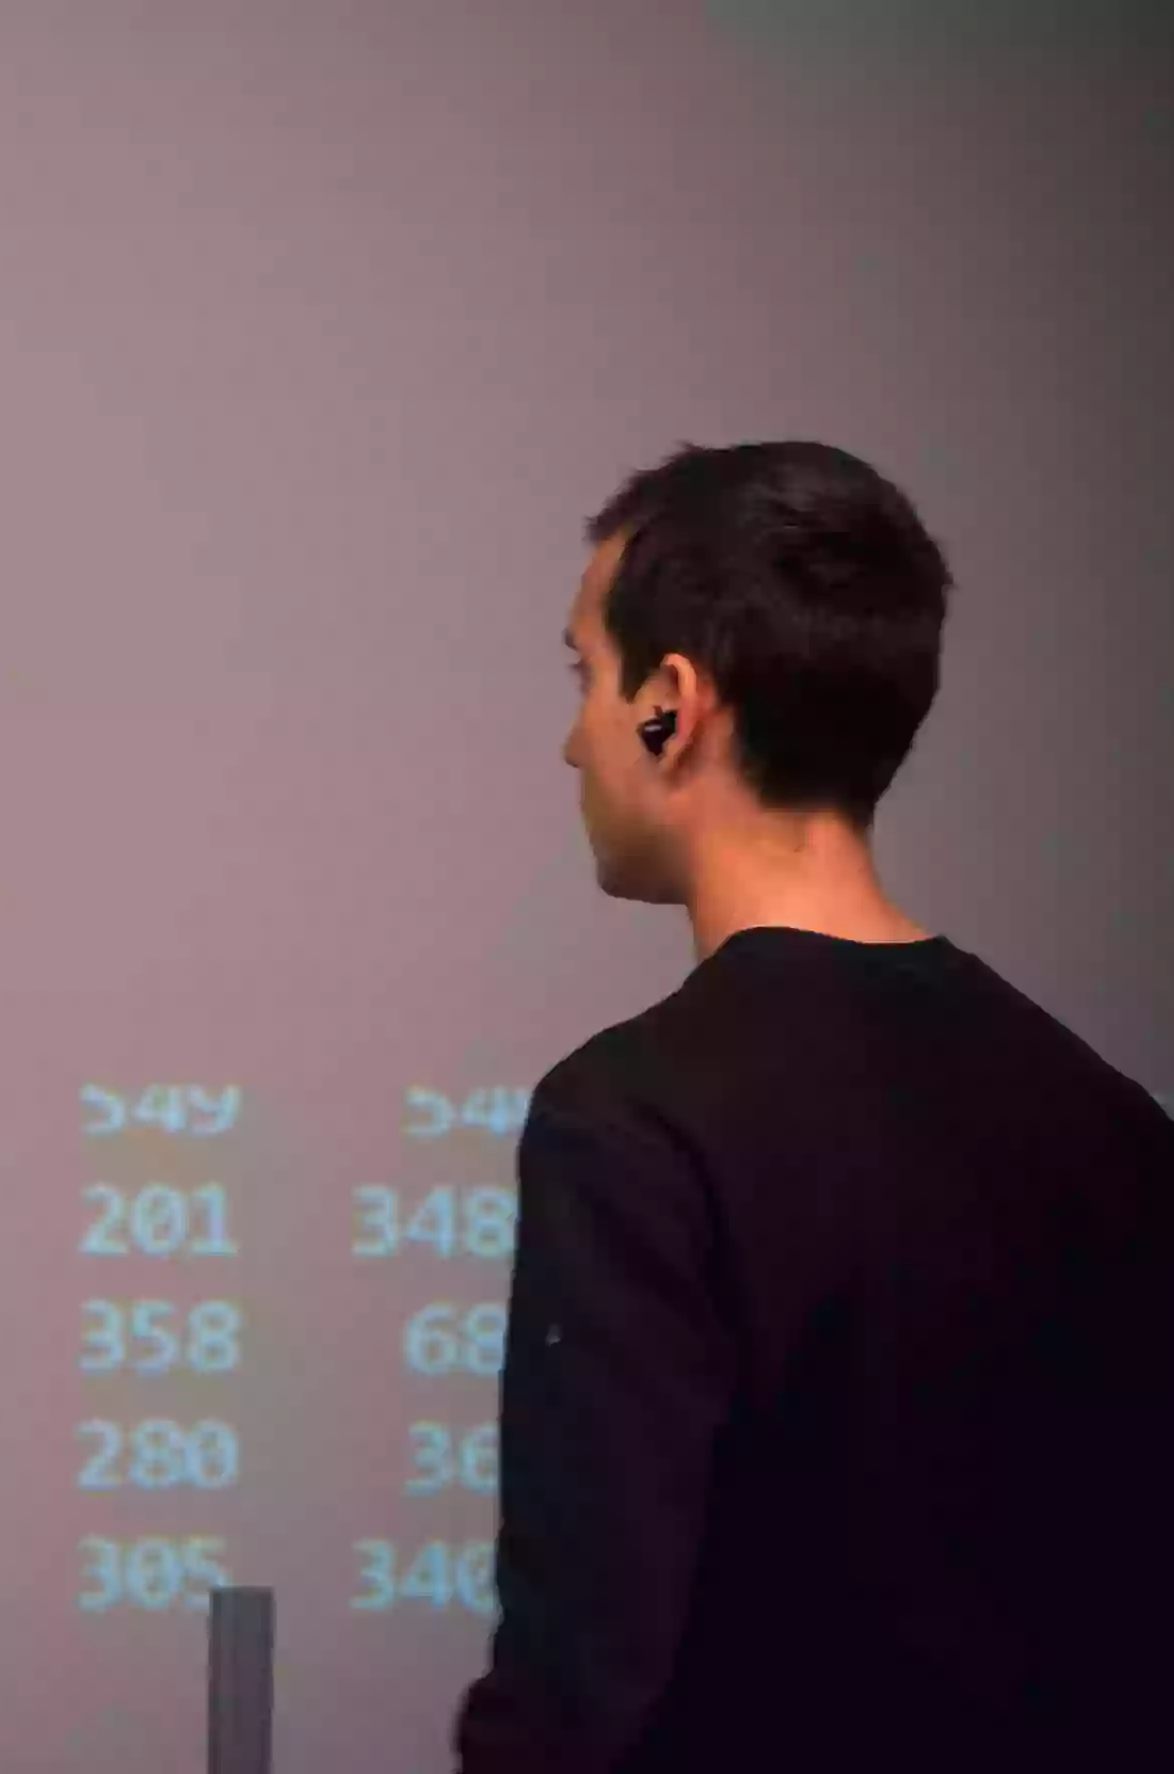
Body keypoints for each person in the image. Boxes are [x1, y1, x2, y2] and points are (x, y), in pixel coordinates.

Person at [454, 442, 1173, 1774]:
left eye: (585, 678)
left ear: (671, 708)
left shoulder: (632, 1124)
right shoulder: (1116, 1125)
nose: (572, 737)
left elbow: (582, 1685)